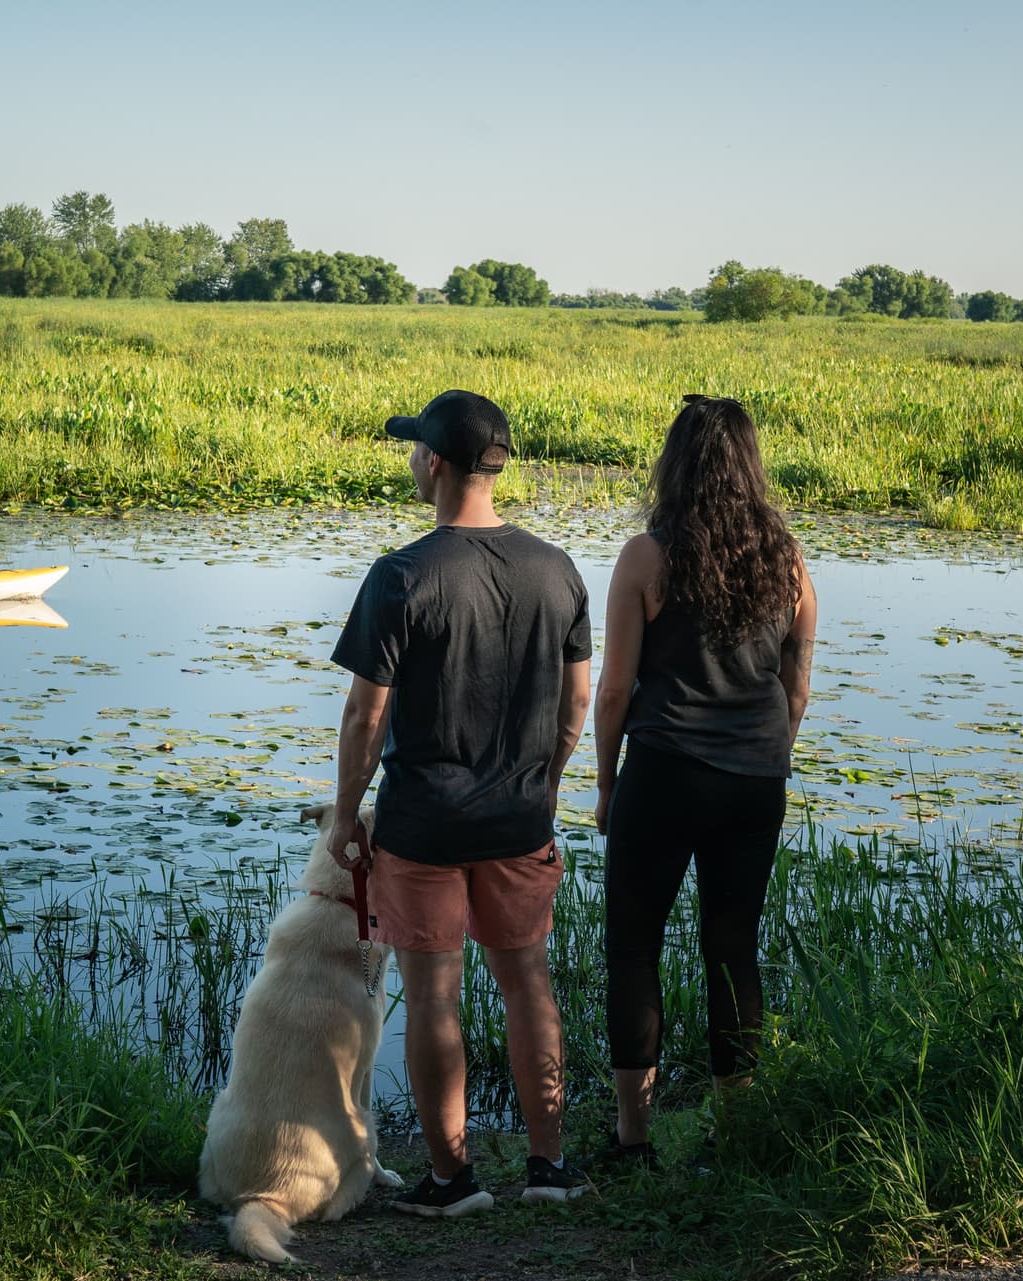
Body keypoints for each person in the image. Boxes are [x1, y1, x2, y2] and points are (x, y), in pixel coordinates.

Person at [327, 388, 594, 1216]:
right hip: (520, 817)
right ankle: (549, 1167)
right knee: (528, 985)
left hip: (422, 824)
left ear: (435, 462)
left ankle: (452, 1179)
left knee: (435, 996)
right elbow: (577, 698)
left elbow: (366, 713)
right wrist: (545, 780)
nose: (412, 460)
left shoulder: (401, 574)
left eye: (416, 449)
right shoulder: (558, 568)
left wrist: (345, 813)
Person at [591, 395, 818, 1170]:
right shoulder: (788, 560)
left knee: (633, 946)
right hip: (757, 778)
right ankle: (737, 1134)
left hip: (665, 772)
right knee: (732, 948)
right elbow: (797, 684)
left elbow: (614, 690)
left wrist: (603, 784)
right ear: (752, 468)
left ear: (673, 466)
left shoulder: (646, 558)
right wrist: (767, 752)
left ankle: (633, 1142)